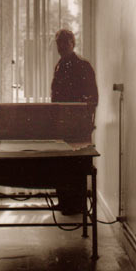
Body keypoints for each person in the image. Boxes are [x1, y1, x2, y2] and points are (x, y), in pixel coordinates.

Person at [51, 28, 98, 215]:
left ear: (72, 43)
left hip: (77, 124)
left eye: (64, 43)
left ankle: (76, 204)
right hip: (62, 123)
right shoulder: (60, 65)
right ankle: (64, 201)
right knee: (61, 163)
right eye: (58, 43)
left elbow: (92, 97)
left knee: (76, 164)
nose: (61, 47)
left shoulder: (83, 66)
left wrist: (86, 120)